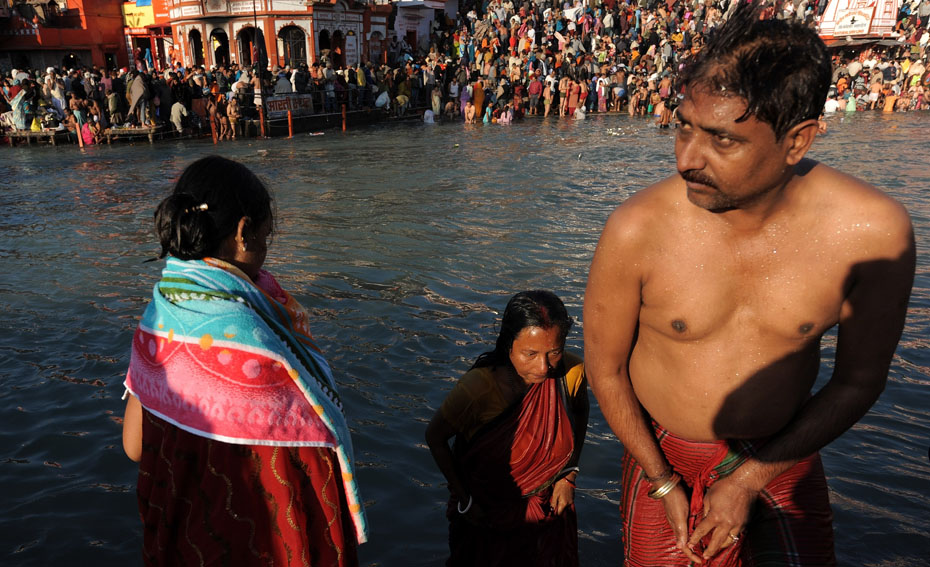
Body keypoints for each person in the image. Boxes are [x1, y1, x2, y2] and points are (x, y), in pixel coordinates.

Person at [584, 4, 915, 567]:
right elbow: (606, 370)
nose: (687, 159)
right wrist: (662, 481)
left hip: (785, 453)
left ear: (797, 141)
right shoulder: (638, 229)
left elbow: (859, 381)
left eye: (723, 140)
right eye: (683, 126)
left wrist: (749, 479)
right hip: (662, 456)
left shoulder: (871, 233)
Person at [121, 156, 368, 566]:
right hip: (251, 544)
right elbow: (309, 469)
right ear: (242, 232)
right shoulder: (259, 343)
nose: (266, 252)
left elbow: (134, 446)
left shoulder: (158, 317)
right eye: (266, 236)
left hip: (178, 540)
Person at [426, 291, 589, 567]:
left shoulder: (570, 374)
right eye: (530, 354)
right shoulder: (478, 389)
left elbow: (580, 413)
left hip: (548, 510)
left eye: (554, 352)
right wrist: (465, 500)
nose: (544, 367)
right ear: (508, 344)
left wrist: (569, 475)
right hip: (486, 515)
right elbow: (435, 438)